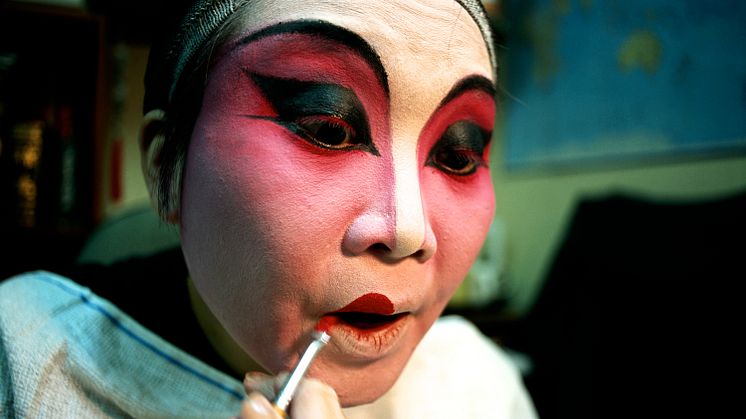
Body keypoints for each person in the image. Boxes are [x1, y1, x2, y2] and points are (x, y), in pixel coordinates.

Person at [0, 0, 537, 417]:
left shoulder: (475, 386)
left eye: (458, 156)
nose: (406, 230)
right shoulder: (22, 360)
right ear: (167, 168)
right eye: (328, 129)